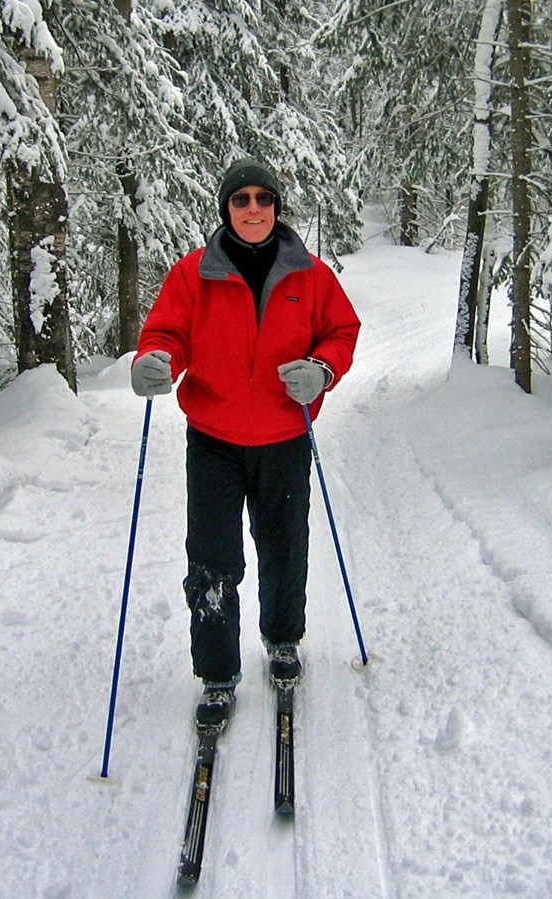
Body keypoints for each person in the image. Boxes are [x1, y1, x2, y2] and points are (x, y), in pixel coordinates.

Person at [132, 158, 361, 731]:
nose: (253, 208)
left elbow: (341, 331)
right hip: (213, 440)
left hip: (286, 436)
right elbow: (166, 334)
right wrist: (155, 361)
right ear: (226, 208)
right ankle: (217, 673)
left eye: (263, 198)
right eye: (241, 199)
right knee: (212, 559)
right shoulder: (194, 274)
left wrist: (322, 369)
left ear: (277, 207)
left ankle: (283, 640)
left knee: (284, 546)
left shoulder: (311, 275)